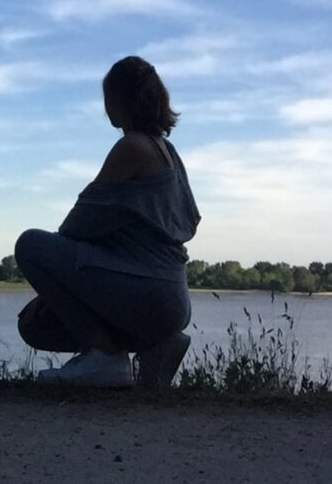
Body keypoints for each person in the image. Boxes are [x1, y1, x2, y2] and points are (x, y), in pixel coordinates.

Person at [15, 55, 200, 390]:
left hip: (150, 293)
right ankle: (155, 346)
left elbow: (79, 223)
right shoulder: (168, 152)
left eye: (107, 99)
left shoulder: (132, 147)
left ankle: (106, 358)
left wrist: (52, 283)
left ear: (119, 100)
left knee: (29, 245)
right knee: (34, 328)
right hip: (172, 298)